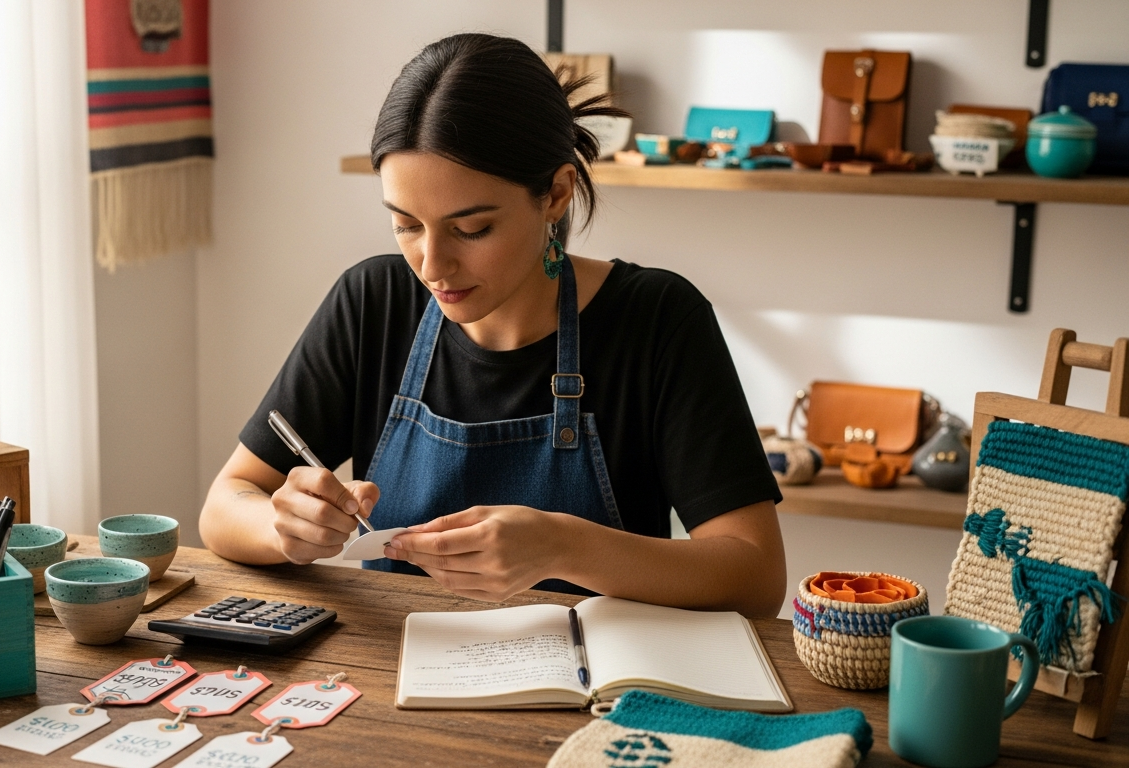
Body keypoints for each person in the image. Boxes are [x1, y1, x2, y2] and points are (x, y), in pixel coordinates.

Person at [199, 33, 786, 617]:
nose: (433, 266)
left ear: (555, 195)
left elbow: (755, 575)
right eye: (406, 225)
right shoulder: (372, 301)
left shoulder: (658, 318)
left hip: (594, 693)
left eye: (472, 229)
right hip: (391, 678)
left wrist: (565, 546)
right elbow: (224, 506)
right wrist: (284, 528)